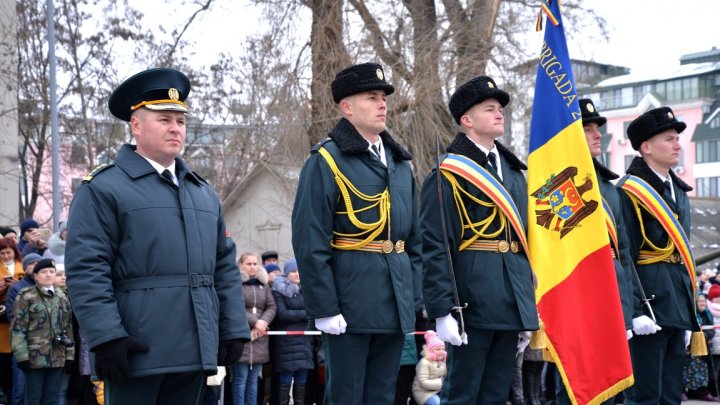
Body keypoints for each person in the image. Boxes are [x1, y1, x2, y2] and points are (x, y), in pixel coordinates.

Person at [64, 67, 250, 404]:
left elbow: (223, 265)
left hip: (195, 349)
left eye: (180, 121)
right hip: (137, 350)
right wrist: (106, 337)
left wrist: (233, 328)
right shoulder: (104, 188)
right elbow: (87, 269)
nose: (175, 128)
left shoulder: (202, 193)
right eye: (164, 119)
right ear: (136, 125)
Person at [292, 62, 422, 404]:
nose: (383, 104)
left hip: (394, 301)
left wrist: (414, 297)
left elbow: (415, 242)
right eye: (372, 96)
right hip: (349, 303)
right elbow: (310, 241)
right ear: (347, 107)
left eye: (384, 97)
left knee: (383, 395)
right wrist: (324, 307)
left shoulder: (398, 163)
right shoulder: (327, 160)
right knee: (347, 396)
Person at [420, 75, 538, 404]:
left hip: (510, 300)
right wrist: (443, 310)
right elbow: (436, 244)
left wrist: (527, 305)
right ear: (467, 120)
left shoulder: (514, 173)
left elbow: (525, 242)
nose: (499, 113)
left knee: (497, 394)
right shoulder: (448, 172)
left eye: (500, 108)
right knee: (463, 394)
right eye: (489, 109)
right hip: (471, 301)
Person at [617, 106, 699, 404]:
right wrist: (635, 309)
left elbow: (682, 255)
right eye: (669, 138)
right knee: (644, 395)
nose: (678, 144)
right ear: (646, 147)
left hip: (676, 303)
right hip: (648, 303)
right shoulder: (628, 191)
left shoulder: (679, 191)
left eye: (677, 137)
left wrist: (689, 311)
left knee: (669, 396)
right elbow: (624, 256)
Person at [10, 259, 74, 405]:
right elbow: (18, 328)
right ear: (36, 276)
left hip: (57, 356)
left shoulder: (62, 297)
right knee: (33, 399)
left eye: (52, 272)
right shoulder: (26, 296)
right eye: (44, 272)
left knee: (51, 399)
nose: (48, 275)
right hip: (34, 357)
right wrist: (22, 356)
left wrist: (69, 355)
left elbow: (68, 328)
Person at [234, 252, 276, 405]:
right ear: (241, 265)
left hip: (260, 336)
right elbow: (235, 307)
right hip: (243, 334)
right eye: (248, 264)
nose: (252, 267)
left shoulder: (263, 285)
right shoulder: (235, 284)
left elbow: (271, 306)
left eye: (254, 264)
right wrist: (255, 322)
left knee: (253, 380)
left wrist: (263, 322)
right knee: (240, 379)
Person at [271, 258, 314, 405]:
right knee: (285, 380)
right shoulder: (278, 290)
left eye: (299, 271)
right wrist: (305, 314)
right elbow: (282, 314)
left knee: (302, 381)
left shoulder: (307, 289)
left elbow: (313, 311)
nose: (297, 274)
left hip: (305, 340)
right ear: (287, 273)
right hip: (286, 341)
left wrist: (302, 314)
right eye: (294, 271)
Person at [6, 253, 41, 405]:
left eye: (38, 262)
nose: (35, 266)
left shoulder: (49, 287)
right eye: (31, 263)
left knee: (41, 391)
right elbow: (12, 316)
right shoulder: (17, 288)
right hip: (23, 346)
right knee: (20, 390)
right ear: (25, 267)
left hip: (45, 347)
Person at [0, 238, 24, 402]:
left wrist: (17, 285)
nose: (6, 256)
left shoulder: (23, 266)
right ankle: (6, 393)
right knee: (3, 361)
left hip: (19, 317)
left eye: (9, 252)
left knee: (17, 363)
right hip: (2, 320)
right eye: (2, 253)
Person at [682, 293, 715, 401]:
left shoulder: (708, 315)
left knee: (702, 372)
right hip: (691, 350)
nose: (702, 303)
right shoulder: (692, 314)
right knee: (688, 371)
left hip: (704, 351)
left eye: (704, 301)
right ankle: (684, 391)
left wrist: (703, 336)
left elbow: (712, 330)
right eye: (700, 301)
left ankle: (700, 392)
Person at [411, 331, 446, 405]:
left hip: (439, 391)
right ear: (431, 350)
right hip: (424, 393)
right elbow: (423, 383)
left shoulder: (443, 362)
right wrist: (442, 382)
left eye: (443, 349)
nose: (441, 352)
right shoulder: (424, 362)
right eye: (438, 349)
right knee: (437, 403)